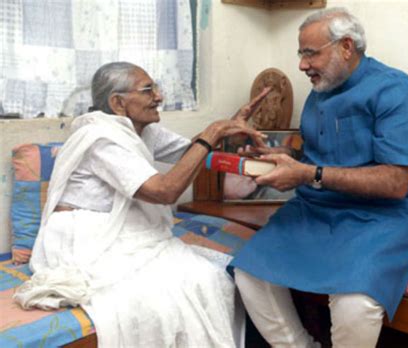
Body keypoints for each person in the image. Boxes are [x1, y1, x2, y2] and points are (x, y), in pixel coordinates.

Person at [14, 61, 269, 348]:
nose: (158, 97)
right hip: (83, 239)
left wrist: (227, 127)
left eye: (155, 88)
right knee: (179, 287)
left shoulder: (140, 130)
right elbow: (165, 191)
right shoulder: (100, 138)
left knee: (206, 277)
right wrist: (212, 133)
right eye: (148, 90)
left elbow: (192, 153)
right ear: (118, 102)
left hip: (119, 233)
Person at [231, 8, 408, 348]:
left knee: (354, 303)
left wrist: (309, 174)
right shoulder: (321, 89)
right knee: (249, 272)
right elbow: (317, 157)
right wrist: (278, 158)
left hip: (380, 217)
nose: (302, 65)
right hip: (316, 210)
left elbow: (396, 182)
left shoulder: (397, 90)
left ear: (346, 47)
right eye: (300, 54)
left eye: (310, 53)